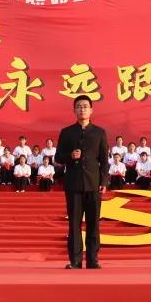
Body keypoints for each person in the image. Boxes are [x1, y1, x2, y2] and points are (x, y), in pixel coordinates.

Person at [55, 95, 108, 270]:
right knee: (74, 224)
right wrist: (70, 156)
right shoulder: (66, 132)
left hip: (94, 184)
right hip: (73, 184)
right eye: (79, 106)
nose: (82, 109)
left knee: (93, 224)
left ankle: (93, 260)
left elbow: (104, 160)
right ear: (74, 110)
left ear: (91, 110)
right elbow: (58, 158)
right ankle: (75, 261)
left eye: (85, 106)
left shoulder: (99, 132)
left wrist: (104, 181)